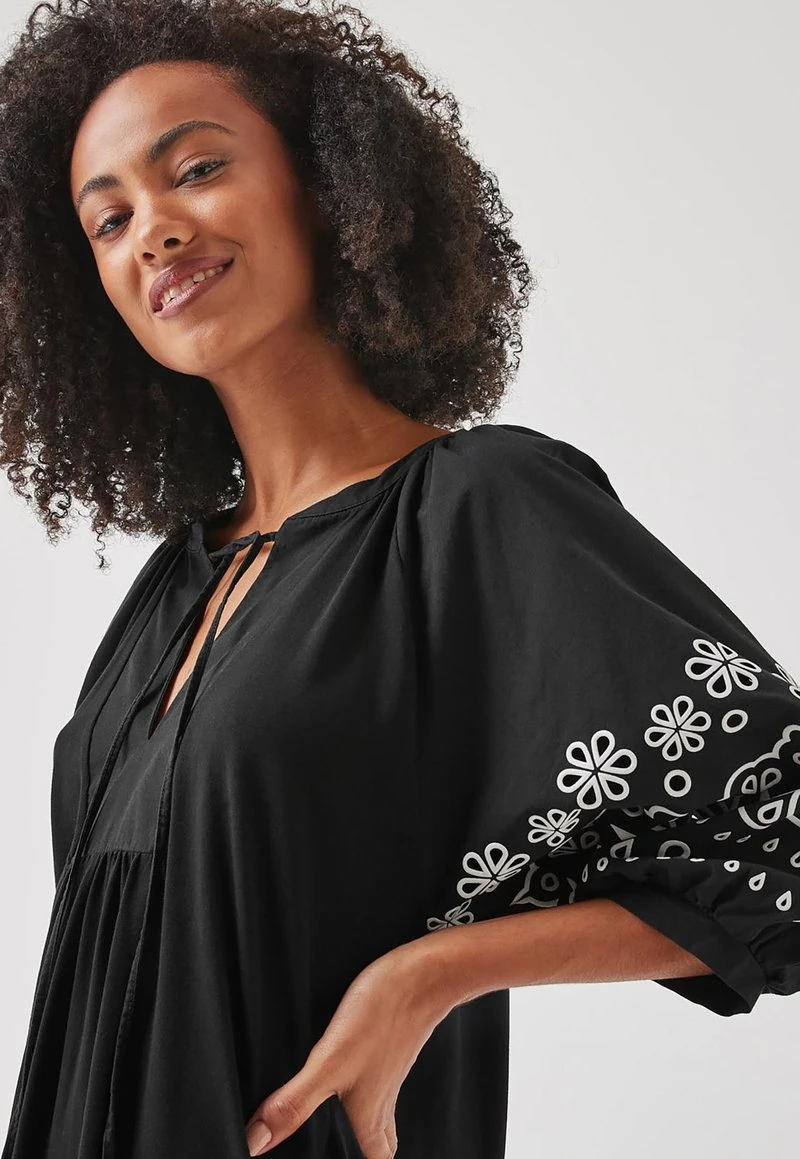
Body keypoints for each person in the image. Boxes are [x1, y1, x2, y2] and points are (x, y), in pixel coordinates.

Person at [1, 1, 799, 1157]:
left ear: (326, 187)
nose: (154, 233)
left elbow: (777, 838)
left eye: (198, 170)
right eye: (109, 219)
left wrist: (428, 975)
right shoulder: (173, 589)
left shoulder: (473, 509)